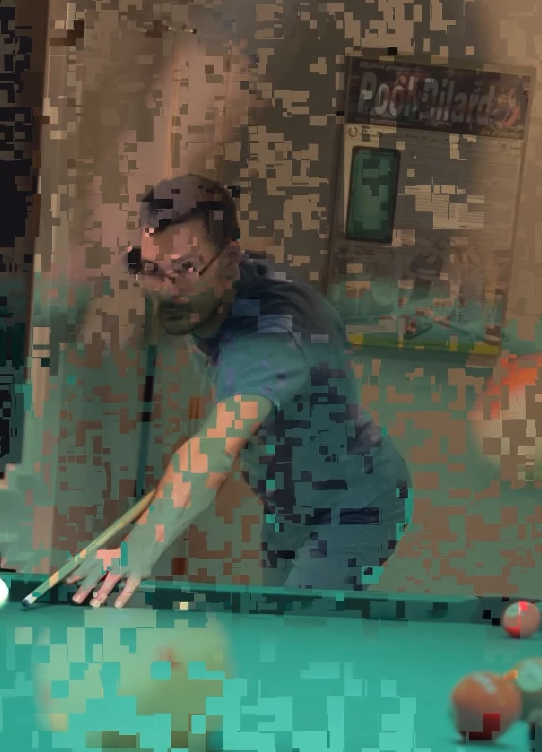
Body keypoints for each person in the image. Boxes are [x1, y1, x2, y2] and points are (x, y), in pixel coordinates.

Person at [72, 174, 411, 607]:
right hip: (288, 502)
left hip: (355, 502)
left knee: (296, 628)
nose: (167, 290)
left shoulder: (272, 333)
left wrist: (135, 551)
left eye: (185, 269)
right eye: (152, 270)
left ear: (230, 259)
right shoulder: (213, 289)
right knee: (275, 620)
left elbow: (214, 450)